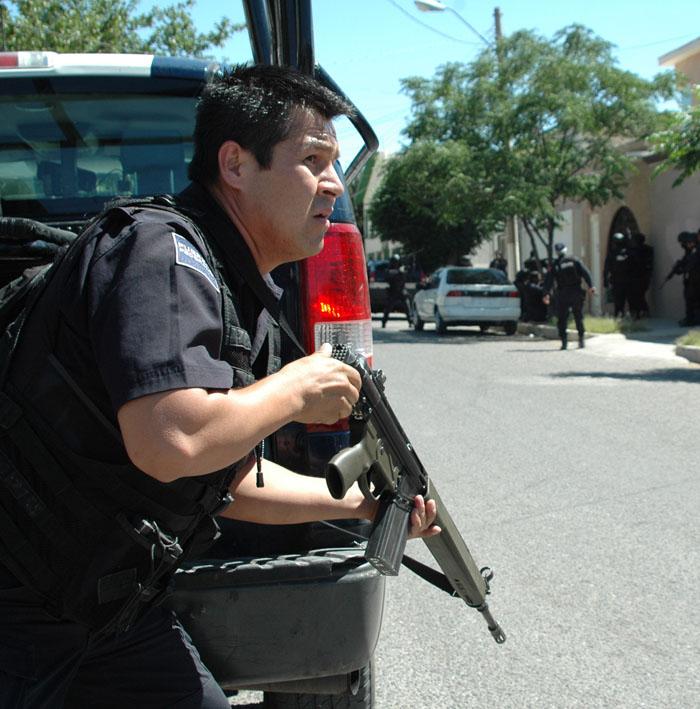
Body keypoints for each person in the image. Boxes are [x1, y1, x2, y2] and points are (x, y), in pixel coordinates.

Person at [0, 65, 440, 708]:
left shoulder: (237, 287)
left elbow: (222, 476)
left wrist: (361, 506)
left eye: (335, 164)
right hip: (20, 602)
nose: (334, 184)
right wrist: (295, 388)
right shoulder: (161, 254)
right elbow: (173, 440)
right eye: (312, 160)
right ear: (235, 164)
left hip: (106, 607)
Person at [543, 242, 596, 349]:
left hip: (562, 294)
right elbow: (586, 273)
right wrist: (591, 286)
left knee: (562, 318)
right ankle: (581, 340)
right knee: (578, 316)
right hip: (576, 292)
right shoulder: (574, 260)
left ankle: (564, 342)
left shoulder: (555, 264)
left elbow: (549, 280)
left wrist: (546, 294)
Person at [603, 232, 632, 318]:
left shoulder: (612, 253)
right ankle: (627, 314)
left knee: (618, 299)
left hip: (617, 280)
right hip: (627, 280)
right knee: (627, 299)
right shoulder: (628, 253)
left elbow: (606, 268)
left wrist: (605, 281)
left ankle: (619, 314)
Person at [627, 232, 653, 319]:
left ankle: (640, 312)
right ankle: (641, 312)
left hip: (640, 276)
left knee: (638, 295)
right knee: (638, 295)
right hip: (640, 276)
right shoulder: (647, 250)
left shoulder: (639, 250)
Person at [381, 253, 411, 328]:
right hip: (393, 291)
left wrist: (403, 270)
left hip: (401, 290)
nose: (395, 263)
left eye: (396, 262)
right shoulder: (390, 270)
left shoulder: (402, 268)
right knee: (388, 308)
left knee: (407, 307)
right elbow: (387, 276)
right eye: (394, 262)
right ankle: (384, 322)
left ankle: (410, 321)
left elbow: (406, 274)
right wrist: (398, 271)